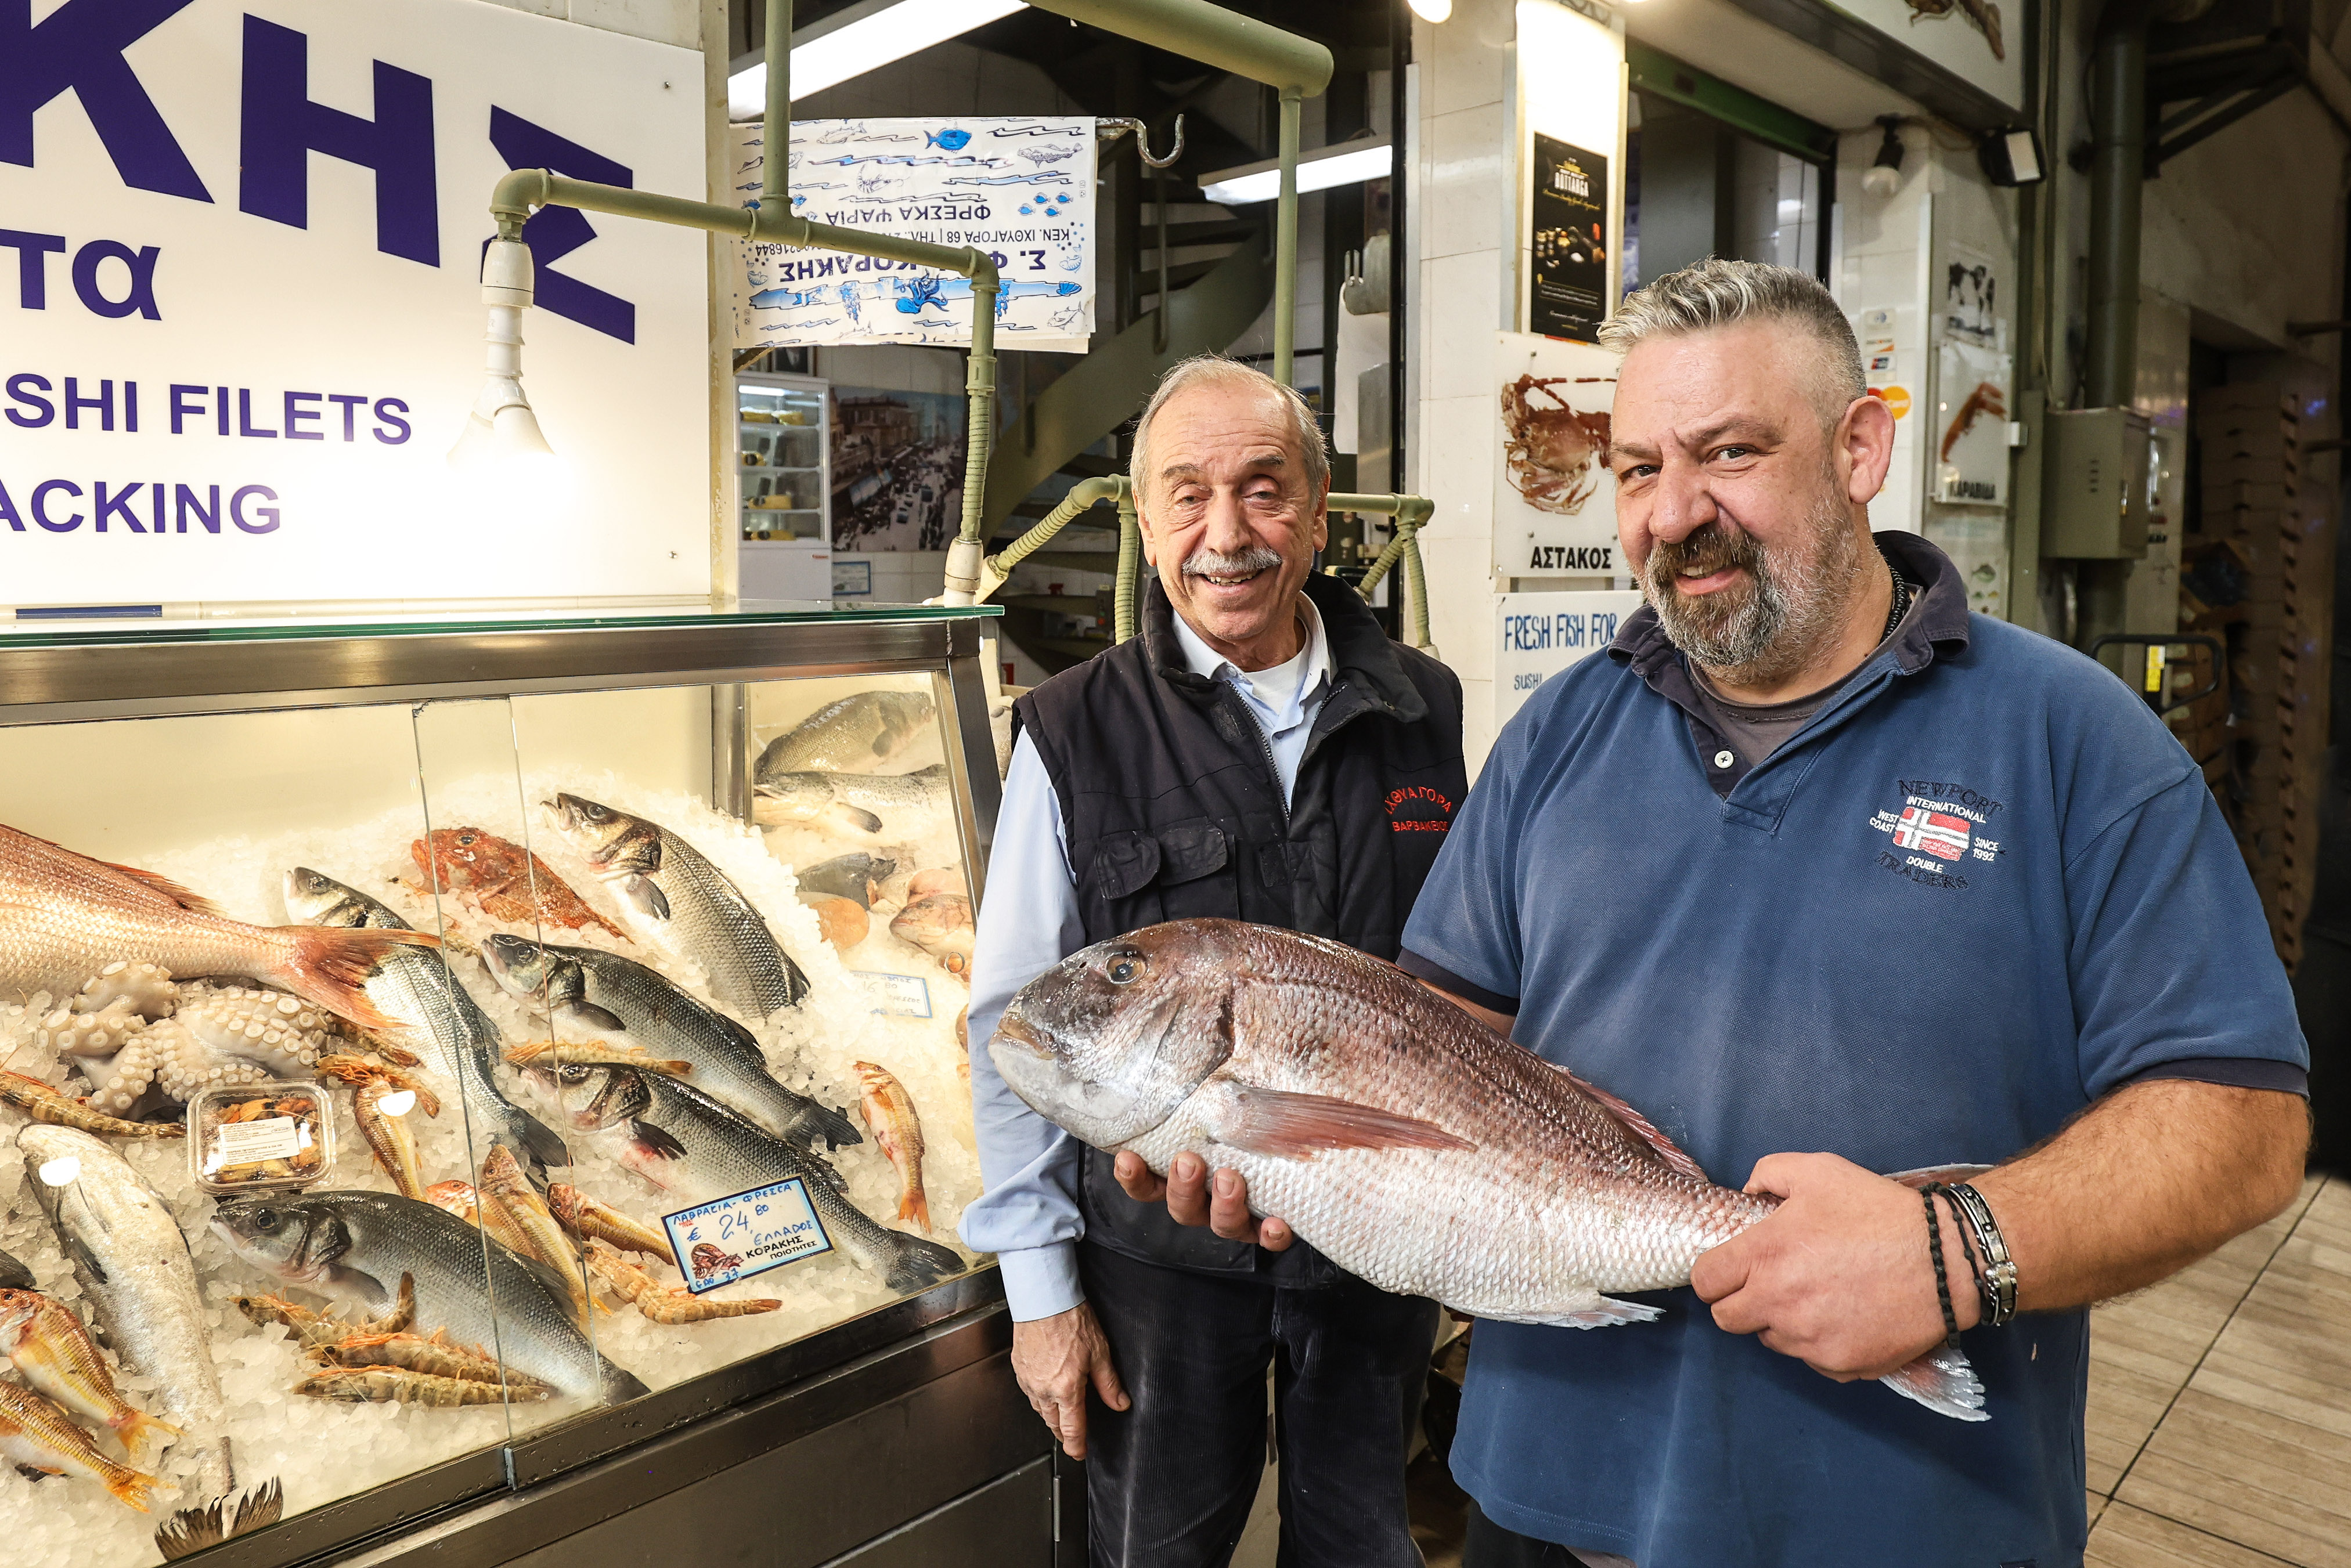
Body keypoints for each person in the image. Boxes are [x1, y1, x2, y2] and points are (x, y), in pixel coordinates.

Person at [1114, 260, 2310, 1567]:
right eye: (1636, 470)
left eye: (1728, 452)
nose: (1676, 514)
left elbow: (2245, 1123)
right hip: (1543, 1505)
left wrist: (1962, 1249)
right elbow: (1439, 1043)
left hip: (1900, 1517)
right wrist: (1275, 1144)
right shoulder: (1560, 732)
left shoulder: (2075, 742)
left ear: (1862, 447)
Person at [960, 353, 1468, 1567]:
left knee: (1368, 1545)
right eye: (1186, 495)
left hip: (1371, 1260)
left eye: (1263, 488)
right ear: (1142, 521)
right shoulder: (1074, 729)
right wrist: (1041, 1293)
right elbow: (1010, 1027)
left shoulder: (1425, 709)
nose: (1225, 533)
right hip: (1159, 1275)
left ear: (1321, 511)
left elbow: (1459, 996)